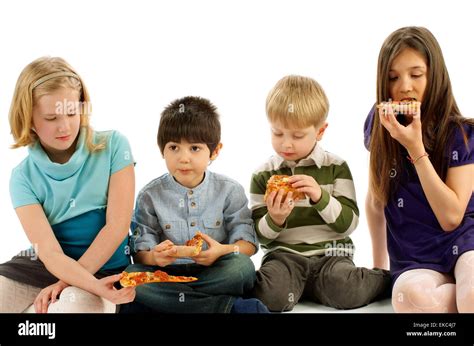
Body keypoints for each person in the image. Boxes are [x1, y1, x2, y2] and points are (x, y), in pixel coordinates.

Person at [0, 57, 136, 313]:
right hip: (45, 266)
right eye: (51, 118)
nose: (64, 126)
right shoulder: (22, 177)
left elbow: (117, 227)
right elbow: (49, 253)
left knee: (76, 305)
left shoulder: (115, 146)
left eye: (72, 113)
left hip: (103, 267)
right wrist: (64, 278)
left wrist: (66, 283)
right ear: (28, 119)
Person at [250, 75, 391, 312]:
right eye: (277, 133)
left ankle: (386, 279)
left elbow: (348, 224)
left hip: (331, 257)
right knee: (270, 296)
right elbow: (259, 237)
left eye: (297, 136)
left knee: (346, 290)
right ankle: (295, 289)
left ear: (320, 131)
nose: (286, 144)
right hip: (284, 258)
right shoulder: (263, 175)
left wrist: (320, 198)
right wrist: (274, 218)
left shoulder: (336, 167)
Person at [364, 26, 474, 313]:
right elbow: (376, 198)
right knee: (408, 300)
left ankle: (466, 289)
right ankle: (461, 293)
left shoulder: (461, 133)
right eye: (393, 77)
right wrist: (380, 268)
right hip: (414, 255)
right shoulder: (379, 125)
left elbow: (451, 217)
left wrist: (415, 149)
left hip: (466, 242)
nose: (404, 87)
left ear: (434, 75)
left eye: (416, 75)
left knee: (473, 291)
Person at [124, 96, 268, 313]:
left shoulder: (229, 190)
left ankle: (168, 304)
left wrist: (222, 250)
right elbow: (141, 252)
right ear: (161, 149)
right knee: (132, 276)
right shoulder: (149, 195)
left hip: (215, 271)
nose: (183, 158)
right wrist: (155, 256)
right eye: (174, 147)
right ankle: (226, 307)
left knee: (242, 268)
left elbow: (246, 245)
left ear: (215, 151)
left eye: (194, 148)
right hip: (167, 274)